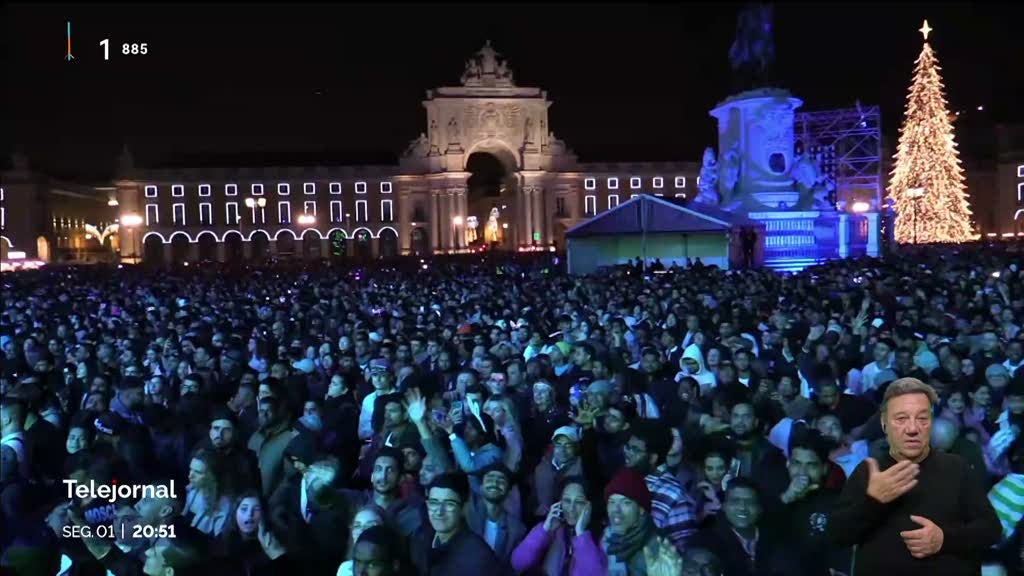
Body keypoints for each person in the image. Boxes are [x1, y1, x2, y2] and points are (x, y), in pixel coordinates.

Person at [828, 378, 1001, 575]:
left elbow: (991, 529)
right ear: (885, 425)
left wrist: (944, 539)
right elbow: (838, 536)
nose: (912, 429)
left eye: (921, 418)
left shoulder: (957, 468)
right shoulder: (869, 471)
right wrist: (872, 501)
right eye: (901, 418)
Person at [410, 473, 502, 575]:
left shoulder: (478, 556)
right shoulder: (420, 537)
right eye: (434, 503)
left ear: (464, 508)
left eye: (449, 504)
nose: (439, 511)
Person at [511, 476, 605, 576]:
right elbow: (518, 563)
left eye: (579, 502)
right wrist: (544, 530)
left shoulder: (601, 535)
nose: (571, 508)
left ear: (589, 506)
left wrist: (581, 534)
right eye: (567, 501)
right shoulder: (552, 529)